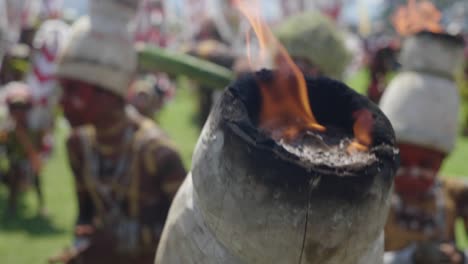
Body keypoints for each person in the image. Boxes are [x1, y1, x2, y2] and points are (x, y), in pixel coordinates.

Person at [48, 1, 186, 263]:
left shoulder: (157, 152)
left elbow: (190, 233)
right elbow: (86, 216)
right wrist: (84, 244)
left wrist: (122, 243)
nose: (62, 101)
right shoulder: (78, 145)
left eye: (72, 90)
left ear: (107, 92)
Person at [380, 32, 467, 264]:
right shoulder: (372, 199)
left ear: (442, 161)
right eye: (402, 162)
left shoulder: (453, 194)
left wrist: (459, 257)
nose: (413, 173)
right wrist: (410, 258)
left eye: (426, 164)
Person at [0, 82, 45, 215]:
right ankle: (12, 206)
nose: (18, 111)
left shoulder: (33, 128)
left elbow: (38, 148)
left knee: (35, 176)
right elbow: (5, 146)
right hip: (15, 161)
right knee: (14, 171)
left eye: (21, 108)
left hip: (30, 161)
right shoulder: (8, 129)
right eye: (15, 108)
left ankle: (42, 205)